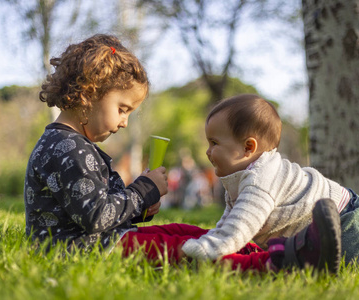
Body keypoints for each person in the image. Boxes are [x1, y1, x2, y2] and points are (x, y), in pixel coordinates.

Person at [24, 34, 341, 274]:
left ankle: (269, 250)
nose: (124, 121)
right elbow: (96, 216)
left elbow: (99, 208)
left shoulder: (73, 145)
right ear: (89, 93)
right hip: (84, 250)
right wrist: (143, 190)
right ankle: (283, 261)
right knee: (182, 247)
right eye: (122, 109)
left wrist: (142, 207)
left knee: (188, 233)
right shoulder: (66, 149)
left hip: (104, 240)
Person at [181, 94, 359, 270]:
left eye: (214, 143)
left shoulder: (261, 179)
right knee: (322, 265)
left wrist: (206, 250)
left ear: (249, 148)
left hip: (347, 219)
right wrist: (212, 238)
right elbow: (228, 222)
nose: (208, 152)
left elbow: (242, 223)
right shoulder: (239, 180)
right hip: (318, 227)